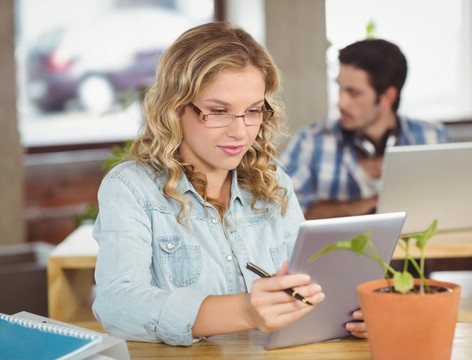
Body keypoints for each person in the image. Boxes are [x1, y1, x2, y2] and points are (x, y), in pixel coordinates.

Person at [92, 22, 367, 347]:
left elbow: (307, 284)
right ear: (174, 109)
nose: (240, 132)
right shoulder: (130, 188)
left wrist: (348, 312)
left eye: (253, 111)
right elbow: (117, 304)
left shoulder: (274, 181)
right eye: (219, 112)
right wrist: (246, 311)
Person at [280, 39, 450, 220]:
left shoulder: (432, 139)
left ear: (387, 97)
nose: (341, 103)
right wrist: (355, 208)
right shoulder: (311, 141)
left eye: (354, 93)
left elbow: (450, 206)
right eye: (340, 88)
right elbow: (281, 211)